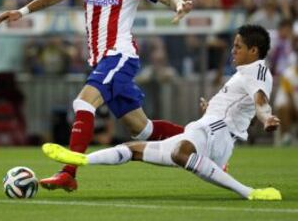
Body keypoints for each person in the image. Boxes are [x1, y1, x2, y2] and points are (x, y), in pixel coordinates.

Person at [0, 0, 193, 192]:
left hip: (120, 56)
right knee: (142, 129)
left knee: (83, 102)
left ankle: (68, 173)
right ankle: (201, 143)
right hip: (101, 62)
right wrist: (21, 11)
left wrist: (178, 4)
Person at [41, 25, 282, 201]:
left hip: (216, 133)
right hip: (210, 130)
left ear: (254, 50)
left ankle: (248, 192)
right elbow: (242, 104)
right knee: (132, 150)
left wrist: (266, 116)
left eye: (238, 46)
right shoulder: (243, 73)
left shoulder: (258, 69)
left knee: (181, 153)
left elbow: (260, 100)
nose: (233, 51)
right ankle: (81, 159)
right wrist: (213, 108)